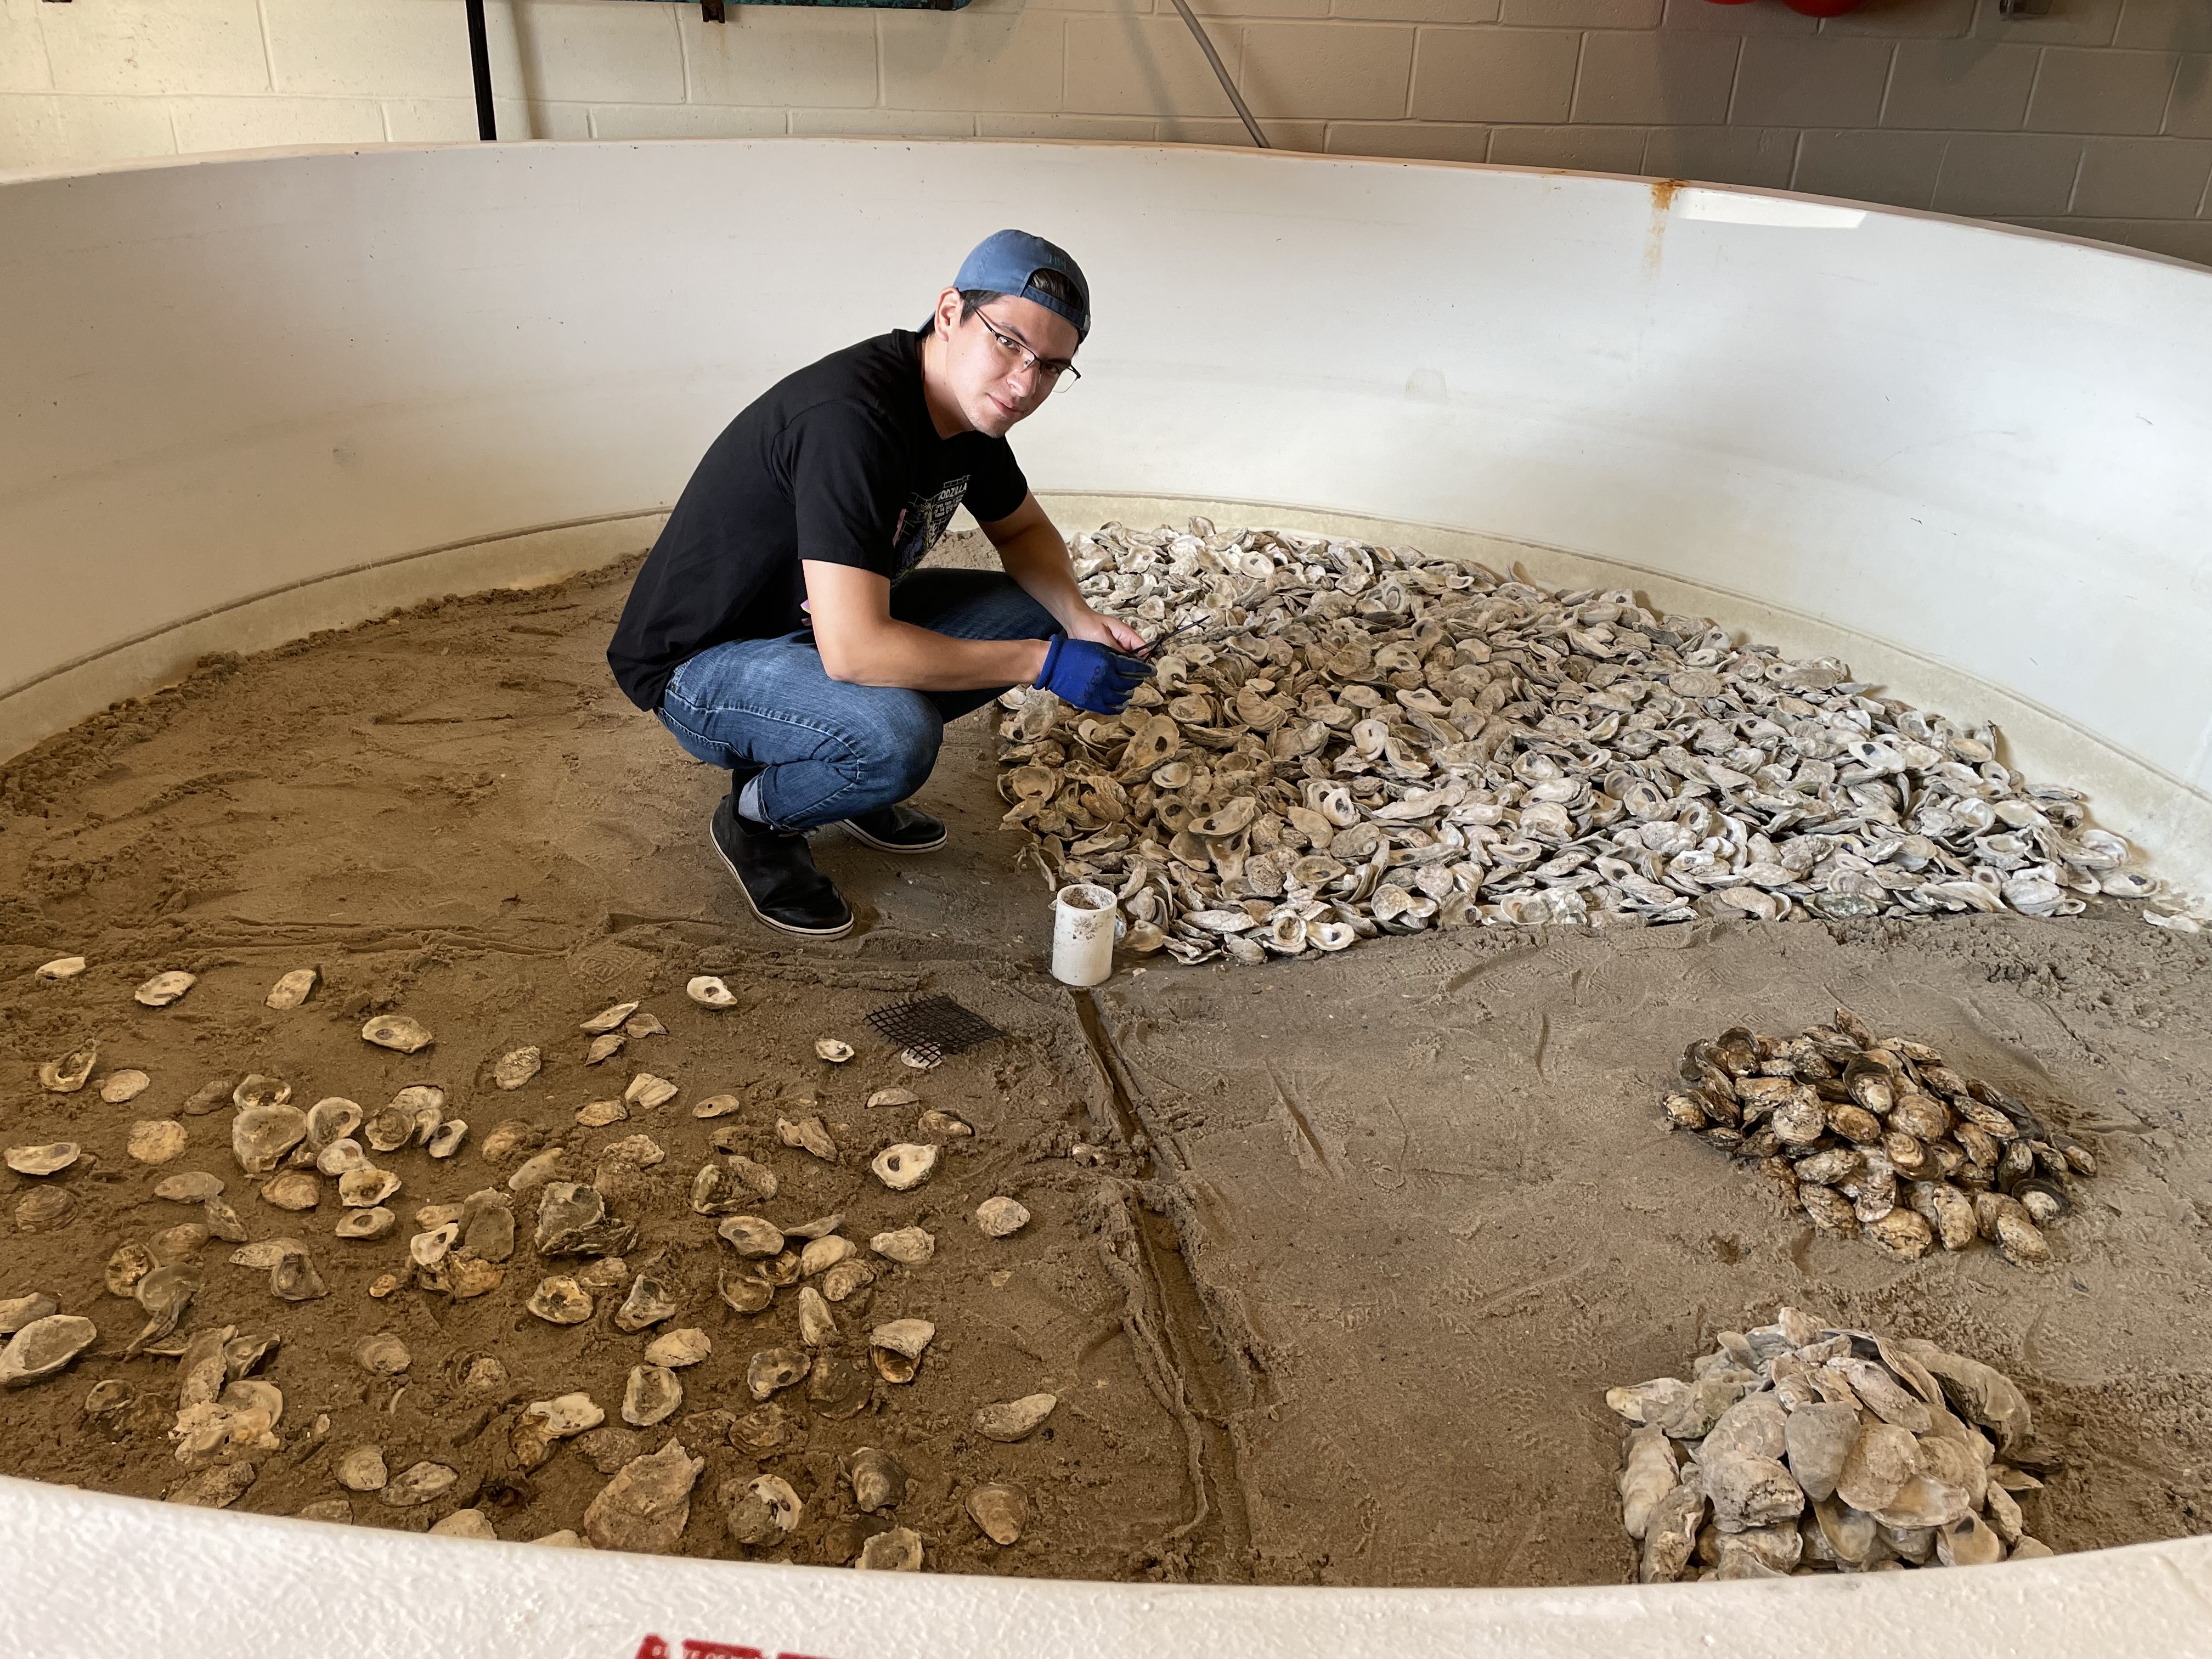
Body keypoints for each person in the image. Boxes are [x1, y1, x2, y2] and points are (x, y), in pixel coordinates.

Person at [607, 230, 1151, 939]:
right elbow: (856, 654)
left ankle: (836, 772)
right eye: (1008, 343)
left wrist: (1076, 620)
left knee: (1033, 613)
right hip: (703, 662)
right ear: (951, 312)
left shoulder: (968, 413)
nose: (1025, 384)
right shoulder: (853, 422)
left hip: (813, 631)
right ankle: (757, 819)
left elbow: (1022, 534)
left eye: (1051, 367)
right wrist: (1043, 665)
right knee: (895, 738)